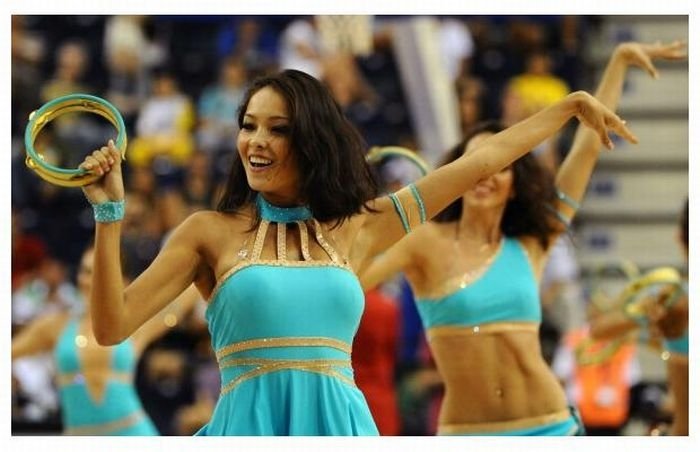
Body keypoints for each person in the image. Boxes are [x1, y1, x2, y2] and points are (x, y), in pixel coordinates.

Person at [77, 68, 634, 436]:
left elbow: (477, 166)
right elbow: (110, 326)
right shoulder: (207, 232)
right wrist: (109, 216)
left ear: (312, 141)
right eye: (248, 126)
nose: (256, 141)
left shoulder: (360, 227)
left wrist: (568, 109)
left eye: (277, 129)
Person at [359, 41, 684, 436]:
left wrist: (617, 62)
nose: (486, 174)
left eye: (501, 167)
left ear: (515, 184)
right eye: (477, 164)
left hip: (550, 427)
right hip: (466, 434)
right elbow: (349, 276)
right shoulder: (422, 241)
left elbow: (585, 150)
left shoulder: (532, 241)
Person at [11, 245, 200, 435]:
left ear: (124, 281)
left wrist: (213, 259)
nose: (90, 280)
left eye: (101, 273)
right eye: (86, 271)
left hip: (132, 434)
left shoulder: (136, 325)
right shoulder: (54, 326)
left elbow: (181, 301)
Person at [589, 198, 689, 435]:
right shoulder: (670, 297)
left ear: (679, 240)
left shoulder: (673, 297)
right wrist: (643, 311)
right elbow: (598, 330)